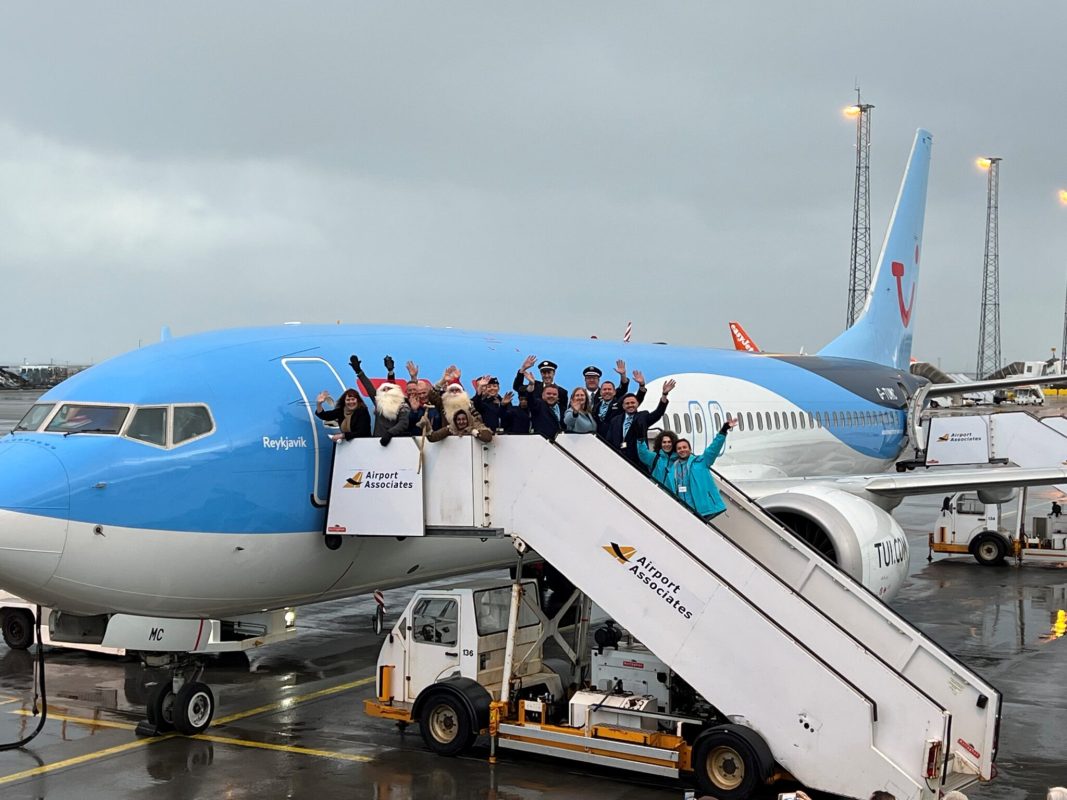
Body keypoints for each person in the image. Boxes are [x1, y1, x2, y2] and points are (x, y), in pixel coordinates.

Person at [668, 418, 737, 520]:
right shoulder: (674, 467)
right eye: (679, 448)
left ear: (690, 449)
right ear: (676, 451)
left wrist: (723, 430)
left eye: (684, 447)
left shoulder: (701, 461)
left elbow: (713, 448)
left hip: (702, 510)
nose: (682, 450)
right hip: (684, 510)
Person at [604, 380, 675, 467]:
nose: (630, 405)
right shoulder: (615, 420)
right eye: (627, 403)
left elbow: (658, 413)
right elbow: (609, 439)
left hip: (638, 462)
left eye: (633, 403)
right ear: (623, 406)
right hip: (618, 461)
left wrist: (664, 395)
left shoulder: (643, 417)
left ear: (637, 404)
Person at [350, 354, 410, 446]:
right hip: (377, 443)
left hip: (396, 443)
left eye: (388, 389)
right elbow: (369, 388)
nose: (386, 391)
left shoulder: (402, 405)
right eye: (383, 389)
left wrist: (390, 433)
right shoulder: (380, 402)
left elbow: (403, 423)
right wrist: (359, 372)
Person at [424, 408, 493, 443]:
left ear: (468, 419)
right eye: (458, 420)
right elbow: (433, 437)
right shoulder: (452, 428)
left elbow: (488, 438)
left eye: (464, 419)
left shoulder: (476, 425)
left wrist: (473, 431)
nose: (461, 422)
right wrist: (426, 425)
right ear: (455, 420)